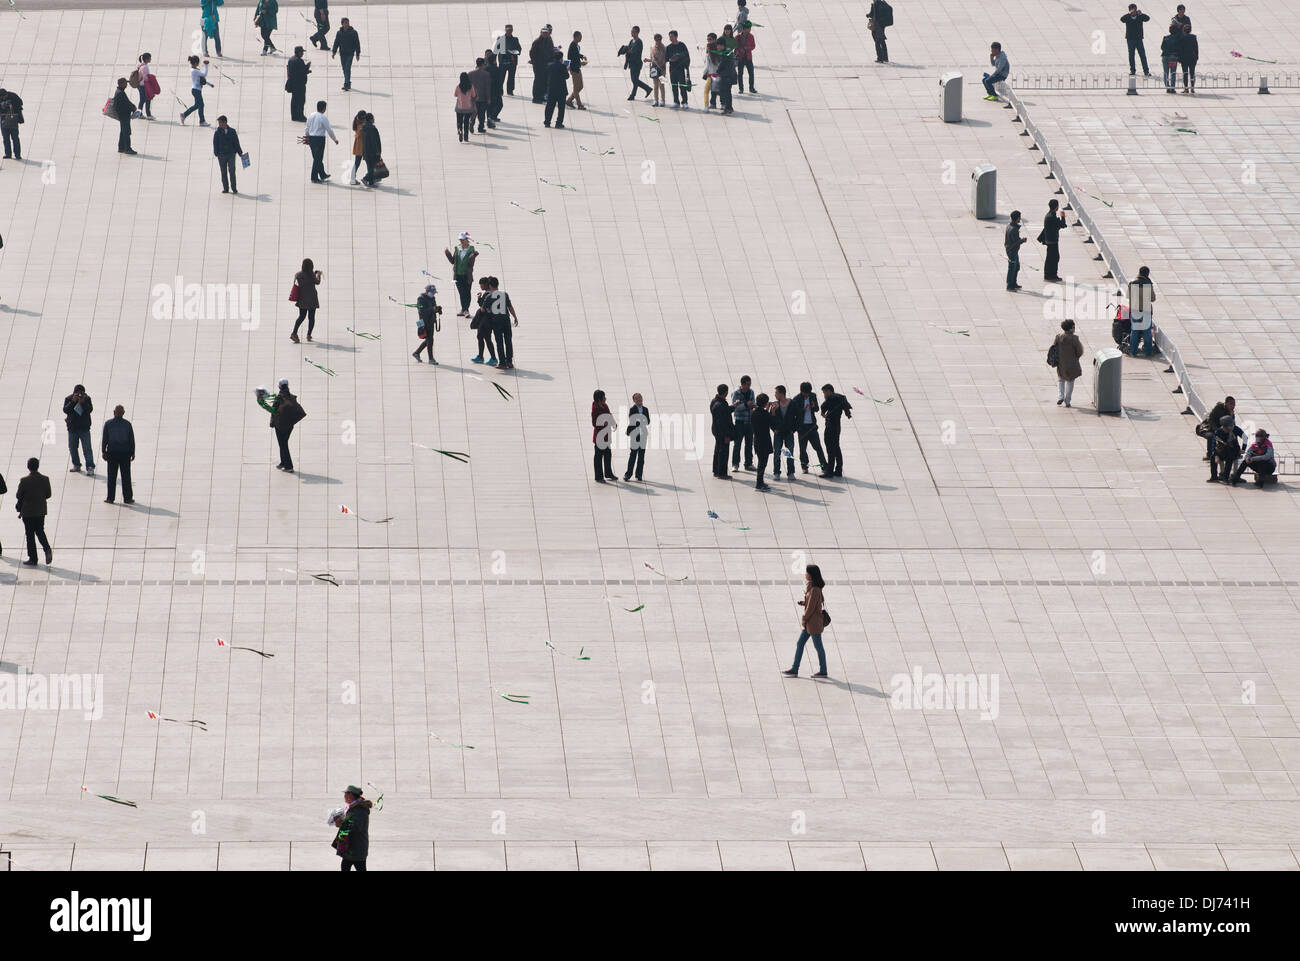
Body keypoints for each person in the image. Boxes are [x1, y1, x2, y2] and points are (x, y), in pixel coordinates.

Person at [782, 565, 828, 678]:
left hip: (814, 623)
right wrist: (805, 602)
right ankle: (794, 669)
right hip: (810, 623)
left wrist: (804, 618)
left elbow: (811, 607)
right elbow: (813, 602)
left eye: (806, 572)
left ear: (811, 574)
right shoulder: (811, 586)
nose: (805, 574)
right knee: (800, 643)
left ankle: (823, 671)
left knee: (818, 646)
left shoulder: (815, 589)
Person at [257, 379, 304, 472]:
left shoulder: (279, 398)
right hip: (289, 425)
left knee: (283, 445)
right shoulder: (290, 396)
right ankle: (283, 462)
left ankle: (289, 466)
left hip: (280, 425)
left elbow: (272, 410)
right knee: (283, 444)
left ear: (279, 386)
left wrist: (261, 402)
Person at [14, 457, 52, 566]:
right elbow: (48, 494)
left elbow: (18, 495)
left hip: (28, 512)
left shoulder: (24, 480)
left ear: (28, 467)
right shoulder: (45, 479)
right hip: (40, 511)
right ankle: (47, 548)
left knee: (29, 535)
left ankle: (33, 558)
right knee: (40, 531)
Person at [330, 786, 372, 872]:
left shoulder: (359, 810)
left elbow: (356, 827)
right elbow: (351, 823)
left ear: (351, 795)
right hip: (352, 847)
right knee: (346, 866)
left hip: (356, 848)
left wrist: (341, 823)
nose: (344, 796)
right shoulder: (354, 808)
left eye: (345, 794)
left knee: (354, 867)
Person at [790, 382, 828, 476]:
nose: (807, 395)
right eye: (805, 393)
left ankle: (824, 466)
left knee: (818, 447)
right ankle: (804, 466)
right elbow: (795, 413)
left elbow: (817, 409)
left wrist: (813, 406)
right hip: (802, 428)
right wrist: (803, 409)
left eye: (808, 393)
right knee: (803, 449)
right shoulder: (796, 399)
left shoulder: (813, 396)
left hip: (812, 426)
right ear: (801, 392)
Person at [101, 405, 136, 504]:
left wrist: (103, 451)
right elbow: (131, 440)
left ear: (114, 412)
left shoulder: (108, 424)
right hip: (125, 453)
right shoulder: (127, 424)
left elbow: (105, 438)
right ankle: (128, 498)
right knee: (126, 476)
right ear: (123, 413)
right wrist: (133, 452)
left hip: (112, 453)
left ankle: (110, 498)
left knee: (111, 476)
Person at [820, 385, 853, 476]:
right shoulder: (841, 398)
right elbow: (847, 408)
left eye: (824, 392)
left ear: (829, 391)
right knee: (836, 447)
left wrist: (823, 414)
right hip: (837, 425)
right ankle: (838, 469)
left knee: (830, 448)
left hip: (830, 425)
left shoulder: (831, 398)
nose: (824, 395)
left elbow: (823, 406)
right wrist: (847, 414)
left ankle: (830, 471)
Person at [486, 277, 518, 371]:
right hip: (506, 320)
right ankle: (509, 361)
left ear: (490, 286)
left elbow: (483, 309)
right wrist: (515, 317)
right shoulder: (505, 294)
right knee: (508, 341)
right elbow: (510, 307)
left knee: (499, 342)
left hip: (496, 322)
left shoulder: (489, 296)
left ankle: (502, 363)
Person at [63, 384, 95, 474]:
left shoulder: (87, 399)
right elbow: (65, 410)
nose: (79, 395)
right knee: (72, 447)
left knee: (87, 448)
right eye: (77, 393)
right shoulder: (69, 399)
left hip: (84, 428)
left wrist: (83, 402)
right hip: (72, 428)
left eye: (81, 393)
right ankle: (76, 465)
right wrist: (73, 401)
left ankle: (90, 466)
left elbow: (90, 410)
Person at [1052, 320, 1085, 407]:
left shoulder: (1058, 337)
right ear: (1070, 329)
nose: (1074, 328)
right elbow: (1079, 351)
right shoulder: (1074, 339)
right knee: (1070, 381)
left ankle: (1060, 397)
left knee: (1060, 380)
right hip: (1072, 364)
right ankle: (1067, 400)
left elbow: (1054, 348)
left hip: (1061, 363)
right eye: (1073, 327)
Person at [304, 100, 338, 183]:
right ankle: (314, 177)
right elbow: (329, 130)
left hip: (311, 138)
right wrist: (335, 139)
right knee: (318, 159)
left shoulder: (311, 115)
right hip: (319, 140)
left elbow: (307, 128)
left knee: (316, 157)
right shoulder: (323, 118)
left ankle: (322, 174)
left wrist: (307, 137)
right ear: (324, 108)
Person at [445, 233, 478, 316]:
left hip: (467, 275)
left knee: (467, 293)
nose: (461, 241)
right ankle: (464, 309)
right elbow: (453, 261)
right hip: (457, 275)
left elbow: (471, 264)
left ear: (467, 240)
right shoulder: (457, 248)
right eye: (460, 240)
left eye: (463, 240)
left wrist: (473, 256)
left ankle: (466, 310)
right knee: (461, 293)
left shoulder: (471, 249)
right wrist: (447, 254)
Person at [290, 258, 321, 343]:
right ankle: (309, 335)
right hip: (312, 299)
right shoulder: (312, 276)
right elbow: (317, 282)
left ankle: (294, 333)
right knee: (311, 317)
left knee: (301, 317)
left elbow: (296, 284)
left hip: (302, 299)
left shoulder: (298, 275)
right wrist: (318, 275)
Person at [1128, 265, 1156, 356]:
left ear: (1139, 272)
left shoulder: (1132, 283)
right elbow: (1153, 298)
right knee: (1147, 332)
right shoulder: (1148, 283)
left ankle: (1133, 352)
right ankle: (1148, 352)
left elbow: (1128, 296)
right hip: (1146, 311)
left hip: (1135, 310)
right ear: (1147, 274)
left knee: (1134, 332)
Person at [769, 386, 796, 480]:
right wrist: (774, 429)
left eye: (776, 393)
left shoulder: (792, 403)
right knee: (777, 452)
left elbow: (798, 416)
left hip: (789, 432)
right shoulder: (775, 405)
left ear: (781, 393)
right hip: (778, 432)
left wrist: (794, 429)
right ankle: (776, 472)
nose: (775, 395)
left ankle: (791, 472)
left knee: (789, 453)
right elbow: (771, 419)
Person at [470, 277, 498, 365]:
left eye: (481, 284)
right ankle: (481, 356)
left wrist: (479, 298)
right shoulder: (491, 293)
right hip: (487, 320)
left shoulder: (488, 294)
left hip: (486, 320)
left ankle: (492, 358)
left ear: (487, 284)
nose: (481, 286)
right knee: (481, 337)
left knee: (486, 338)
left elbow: (483, 307)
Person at [212, 115, 243, 194]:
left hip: (231, 154)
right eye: (219, 123)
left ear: (225, 122)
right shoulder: (217, 132)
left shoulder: (232, 131)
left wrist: (240, 152)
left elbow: (236, 142)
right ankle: (226, 188)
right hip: (221, 155)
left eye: (221, 123)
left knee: (232, 171)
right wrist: (216, 153)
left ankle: (234, 188)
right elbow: (215, 143)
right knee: (223, 172)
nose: (219, 124)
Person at [730, 376, 755, 471]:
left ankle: (748, 463)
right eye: (747, 384)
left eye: (750, 384)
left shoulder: (751, 392)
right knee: (737, 444)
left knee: (749, 444)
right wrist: (745, 405)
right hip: (739, 422)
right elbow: (735, 408)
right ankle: (735, 464)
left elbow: (752, 403)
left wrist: (750, 405)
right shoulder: (736, 393)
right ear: (742, 384)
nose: (749, 386)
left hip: (749, 422)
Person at [750, 393, 774, 490]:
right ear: (765, 403)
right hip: (765, 441)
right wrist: (772, 412)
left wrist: (767, 410)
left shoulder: (754, 413)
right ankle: (759, 483)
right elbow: (772, 421)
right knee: (762, 463)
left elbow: (764, 417)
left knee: (761, 462)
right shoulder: (765, 414)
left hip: (757, 440)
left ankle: (760, 482)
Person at [1209, 414, 1242, 483]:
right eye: (1228, 427)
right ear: (1223, 427)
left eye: (1231, 426)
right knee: (1213, 457)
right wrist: (1215, 455)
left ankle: (1225, 477)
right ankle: (1214, 477)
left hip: (1233, 451)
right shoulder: (1218, 432)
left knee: (1230, 458)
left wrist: (1243, 449)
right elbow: (1214, 444)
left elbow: (1245, 438)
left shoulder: (1235, 429)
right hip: (1222, 450)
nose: (1230, 428)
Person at [592, 389, 617, 483]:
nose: (605, 398)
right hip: (599, 437)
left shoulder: (605, 406)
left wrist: (613, 423)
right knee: (598, 457)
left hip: (606, 436)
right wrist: (605, 422)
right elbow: (594, 423)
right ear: (599, 399)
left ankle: (608, 473)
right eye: (603, 397)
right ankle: (598, 476)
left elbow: (609, 415)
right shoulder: (595, 409)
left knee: (607, 454)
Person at [179, 55, 211, 126]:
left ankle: (184, 115)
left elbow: (201, 79)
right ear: (196, 63)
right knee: (201, 105)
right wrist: (206, 65)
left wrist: (209, 84)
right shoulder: (195, 71)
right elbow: (204, 74)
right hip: (196, 90)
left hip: (196, 90)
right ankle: (202, 121)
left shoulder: (194, 70)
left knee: (197, 105)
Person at [412, 284, 441, 363]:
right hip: (423, 322)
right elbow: (421, 311)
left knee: (429, 339)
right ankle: (431, 358)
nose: (433, 294)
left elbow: (433, 308)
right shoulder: (420, 299)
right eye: (432, 292)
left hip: (431, 321)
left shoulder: (432, 298)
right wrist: (432, 309)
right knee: (430, 339)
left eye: (434, 293)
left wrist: (437, 310)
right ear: (427, 291)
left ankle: (417, 353)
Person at [624, 393, 650, 481]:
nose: (639, 400)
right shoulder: (632, 409)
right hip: (635, 435)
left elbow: (648, 421)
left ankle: (639, 475)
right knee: (633, 455)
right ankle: (628, 474)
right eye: (637, 399)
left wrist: (640, 420)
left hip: (643, 435)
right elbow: (632, 420)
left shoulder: (645, 409)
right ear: (634, 401)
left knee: (641, 456)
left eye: (640, 398)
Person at [1040, 199, 1067, 281]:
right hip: (1052, 241)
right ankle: (1051, 275)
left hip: (1049, 240)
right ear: (1056, 207)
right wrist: (1063, 216)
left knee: (1051, 258)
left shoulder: (1049, 215)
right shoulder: (1052, 216)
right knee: (1054, 258)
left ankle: (1049, 274)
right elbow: (1062, 225)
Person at [1202, 396, 1235, 462]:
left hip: (1224, 430)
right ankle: (1209, 454)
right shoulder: (1218, 408)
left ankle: (1234, 452)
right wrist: (1216, 430)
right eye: (1231, 404)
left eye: (1234, 404)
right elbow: (1211, 420)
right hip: (1211, 429)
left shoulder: (1231, 412)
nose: (1233, 406)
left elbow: (1232, 424)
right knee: (1211, 436)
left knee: (1233, 435)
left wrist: (1231, 416)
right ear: (1226, 403)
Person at [1121, 4, 1151, 76]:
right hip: (1130, 39)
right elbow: (1122, 19)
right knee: (1131, 55)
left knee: (1142, 55)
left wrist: (1141, 14)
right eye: (1133, 10)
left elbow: (1147, 18)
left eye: (1135, 9)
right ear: (1130, 10)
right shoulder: (1128, 17)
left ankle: (1146, 71)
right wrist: (1129, 14)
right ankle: (1132, 70)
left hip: (1139, 39)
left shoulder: (1139, 16)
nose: (1134, 11)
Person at [710, 384, 733, 479]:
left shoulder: (714, 402)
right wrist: (727, 435)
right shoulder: (721, 404)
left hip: (716, 430)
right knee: (723, 452)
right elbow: (724, 422)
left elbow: (725, 411)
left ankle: (716, 470)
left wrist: (733, 407)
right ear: (726, 392)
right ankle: (722, 472)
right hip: (722, 432)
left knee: (717, 450)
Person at [331, 18, 361, 91]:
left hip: (350, 53)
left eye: (347, 23)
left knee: (347, 68)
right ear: (342, 24)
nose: (346, 24)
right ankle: (348, 82)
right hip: (342, 53)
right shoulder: (339, 33)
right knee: (344, 69)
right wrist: (334, 52)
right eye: (345, 23)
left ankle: (346, 83)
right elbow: (336, 43)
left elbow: (357, 43)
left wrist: (357, 53)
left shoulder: (353, 32)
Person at [493, 24, 522, 96]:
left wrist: (514, 53)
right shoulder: (501, 39)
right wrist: (494, 60)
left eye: (510, 30)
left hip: (512, 61)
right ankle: (500, 91)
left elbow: (519, 49)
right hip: (503, 61)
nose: (509, 31)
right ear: (505, 30)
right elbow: (496, 50)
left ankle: (510, 90)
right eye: (508, 30)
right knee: (501, 77)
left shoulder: (515, 39)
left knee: (511, 77)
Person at [624, 26, 651, 100]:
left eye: (633, 32)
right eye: (631, 31)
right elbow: (628, 51)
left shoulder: (639, 42)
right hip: (632, 63)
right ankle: (633, 95)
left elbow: (634, 52)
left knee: (634, 80)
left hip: (636, 63)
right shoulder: (631, 41)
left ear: (637, 32)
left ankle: (647, 88)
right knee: (635, 79)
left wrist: (628, 50)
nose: (632, 33)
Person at [544, 47, 568, 128]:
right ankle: (558, 123)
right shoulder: (563, 67)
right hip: (561, 90)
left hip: (551, 90)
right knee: (561, 108)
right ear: (561, 58)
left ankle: (547, 121)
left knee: (549, 106)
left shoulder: (549, 66)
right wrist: (566, 69)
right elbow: (566, 76)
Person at [529, 25, 553, 103]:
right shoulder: (537, 41)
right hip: (538, 65)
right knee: (538, 81)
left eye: (546, 32)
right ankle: (536, 97)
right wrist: (535, 62)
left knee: (544, 81)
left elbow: (550, 50)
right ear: (541, 33)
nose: (545, 34)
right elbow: (532, 53)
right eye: (544, 33)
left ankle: (542, 96)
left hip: (546, 64)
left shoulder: (548, 40)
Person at [666, 31, 690, 107]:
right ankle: (676, 101)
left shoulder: (682, 45)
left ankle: (685, 102)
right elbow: (666, 58)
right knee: (674, 86)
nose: (670, 38)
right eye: (670, 37)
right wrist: (670, 59)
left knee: (682, 86)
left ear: (676, 36)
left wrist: (678, 56)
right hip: (672, 69)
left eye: (672, 36)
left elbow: (686, 54)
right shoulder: (669, 47)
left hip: (680, 68)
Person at [112, 78, 136, 154]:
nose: (127, 84)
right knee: (126, 131)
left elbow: (126, 103)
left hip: (122, 115)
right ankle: (127, 148)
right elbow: (127, 103)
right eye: (125, 83)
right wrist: (133, 107)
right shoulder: (120, 93)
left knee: (123, 131)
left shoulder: (119, 91)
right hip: (124, 115)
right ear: (121, 84)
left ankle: (121, 147)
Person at [286, 46, 310, 121]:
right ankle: (300, 116)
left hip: (293, 83)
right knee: (301, 100)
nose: (303, 53)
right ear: (299, 52)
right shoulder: (299, 61)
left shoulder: (291, 59)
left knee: (294, 100)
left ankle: (294, 116)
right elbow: (302, 72)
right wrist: (307, 68)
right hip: (299, 84)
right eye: (302, 52)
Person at [468, 58, 491, 134]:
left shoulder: (470, 74)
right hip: (482, 97)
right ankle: (480, 127)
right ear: (482, 64)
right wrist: (488, 98)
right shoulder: (486, 74)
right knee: (481, 114)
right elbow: (487, 87)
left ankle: (472, 121)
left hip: (473, 98)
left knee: (473, 112)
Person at [714, 37, 737, 114]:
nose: (717, 47)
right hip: (730, 75)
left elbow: (722, 64)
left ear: (722, 45)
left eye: (718, 45)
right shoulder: (728, 51)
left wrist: (717, 71)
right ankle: (728, 108)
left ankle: (728, 108)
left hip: (727, 76)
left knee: (726, 92)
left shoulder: (725, 53)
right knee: (727, 92)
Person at [1006, 210, 1026, 291]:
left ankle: (1014, 283)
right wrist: (1022, 240)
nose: (1020, 219)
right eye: (1019, 217)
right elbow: (1015, 243)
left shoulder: (1009, 226)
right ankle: (1010, 285)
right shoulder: (1014, 229)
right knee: (1012, 268)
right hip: (1012, 251)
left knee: (1016, 267)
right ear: (1017, 218)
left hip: (1012, 251)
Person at [360, 112, 382, 187]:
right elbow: (374, 141)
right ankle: (365, 179)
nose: (374, 119)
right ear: (370, 119)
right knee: (372, 168)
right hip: (372, 152)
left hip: (366, 151)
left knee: (370, 167)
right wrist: (377, 151)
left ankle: (371, 182)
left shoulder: (364, 127)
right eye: (373, 118)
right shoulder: (372, 129)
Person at [566, 31, 587, 109]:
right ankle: (579, 105)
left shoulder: (576, 46)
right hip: (574, 69)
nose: (581, 38)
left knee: (580, 86)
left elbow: (576, 55)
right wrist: (581, 63)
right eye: (580, 36)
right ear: (576, 37)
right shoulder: (572, 46)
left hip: (577, 68)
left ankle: (569, 100)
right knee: (576, 87)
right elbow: (572, 58)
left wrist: (582, 56)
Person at [454, 71, 477, 142]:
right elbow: (473, 95)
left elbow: (455, 95)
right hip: (468, 107)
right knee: (466, 122)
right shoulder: (471, 86)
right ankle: (466, 136)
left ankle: (460, 130)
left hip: (459, 107)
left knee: (459, 121)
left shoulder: (458, 86)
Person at [0, 88, 23, 158]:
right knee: (6, 139)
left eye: (3, 96)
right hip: (5, 120)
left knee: (15, 138)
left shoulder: (13, 96)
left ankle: (17, 154)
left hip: (12, 121)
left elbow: (20, 103)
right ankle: (8, 154)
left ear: (6, 94)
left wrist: (11, 105)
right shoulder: (11, 96)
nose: (2, 98)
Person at [646, 33, 667, 106]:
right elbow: (652, 59)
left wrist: (661, 66)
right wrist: (647, 60)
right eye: (656, 40)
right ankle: (656, 100)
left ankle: (663, 100)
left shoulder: (664, 48)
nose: (658, 41)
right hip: (654, 69)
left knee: (662, 85)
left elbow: (665, 59)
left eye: (659, 40)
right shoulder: (652, 47)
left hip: (662, 69)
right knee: (655, 85)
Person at [132, 54, 155, 120]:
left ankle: (139, 114)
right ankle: (148, 115)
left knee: (142, 100)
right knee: (148, 99)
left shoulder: (140, 65)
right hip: (144, 86)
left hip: (140, 85)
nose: (151, 59)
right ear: (147, 59)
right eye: (150, 58)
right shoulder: (144, 67)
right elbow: (146, 77)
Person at [1178, 22, 1198, 94]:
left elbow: (1180, 49)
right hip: (1192, 58)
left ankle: (1186, 88)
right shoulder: (1193, 37)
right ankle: (1192, 88)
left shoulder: (1181, 37)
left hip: (1184, 58)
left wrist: (1179, 58)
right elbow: (1196, 48)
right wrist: (1196, 57)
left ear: (1183, 30)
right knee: (1192, 73)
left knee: (1185, 73)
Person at [1159, 23, 1180, 93]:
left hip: (1165, 57)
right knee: (1173, 73)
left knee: (1166, 72)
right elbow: (1178, 48)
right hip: (1173, 58)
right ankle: (1172, 87)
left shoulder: (1166, 37)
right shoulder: (1177, 39)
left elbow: (1162, 47)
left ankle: (1167, 87)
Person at [735, 24, 756, 93]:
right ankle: (741, 89)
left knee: (751, 73)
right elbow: (735, 46)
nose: (750, 30)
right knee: (740, 74)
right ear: (744, 29)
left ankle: (751, 88)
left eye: (750, 29)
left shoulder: (751, 36)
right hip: (740, 58)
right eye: (748, 29)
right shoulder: (737, 37)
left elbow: (753, 46)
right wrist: (739, 50)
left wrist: (747, 48)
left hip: (748, 57)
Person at [486, 52, 505, 125]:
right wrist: (501, 89)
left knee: (489, 107)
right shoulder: (497, 69)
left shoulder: (486, 69)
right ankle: (492, 117)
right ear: (494, 61)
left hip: (488, 91)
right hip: (496, 91)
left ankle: (490, 118)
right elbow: (500, 81)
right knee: (499, 105)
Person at [348, 108, 366, 184]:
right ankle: (352, 179)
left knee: (357, 162)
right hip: (361, 147)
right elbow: (360, 133)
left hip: (359, 146)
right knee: (357, 163)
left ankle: (353, 178)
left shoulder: (357, 122)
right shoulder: (361, 126)